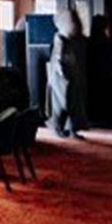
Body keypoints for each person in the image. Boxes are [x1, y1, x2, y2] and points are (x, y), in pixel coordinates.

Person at [46, 7, 89, 137]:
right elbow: (59, 59)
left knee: (74, 104)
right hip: (61, 78)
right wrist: (64, 74)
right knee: (62, 104)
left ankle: (72, 129)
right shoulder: (60, 39)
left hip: (71, 76)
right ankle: (57, 127)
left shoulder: (71, 40)